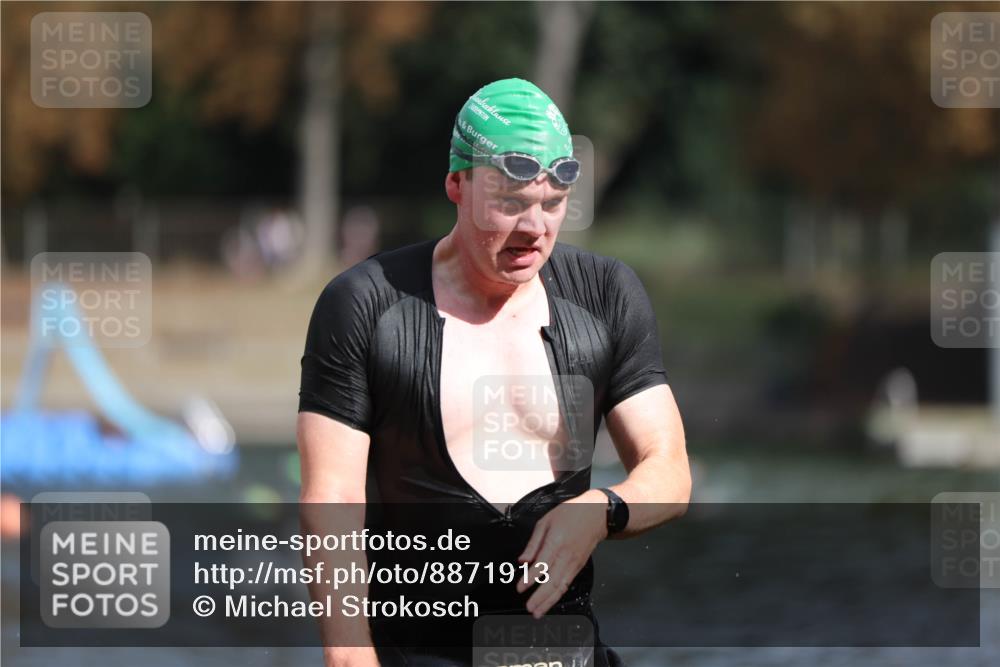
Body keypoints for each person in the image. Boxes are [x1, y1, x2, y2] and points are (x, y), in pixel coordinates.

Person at [297, 78, 690, 667]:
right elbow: (332, 499)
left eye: (551, 204)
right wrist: (349, 658)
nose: (534, 227)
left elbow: (670, 470)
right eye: (509, 201)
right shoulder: (366, 305)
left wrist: (600, 510)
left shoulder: (605, 295)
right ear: (456, 184)